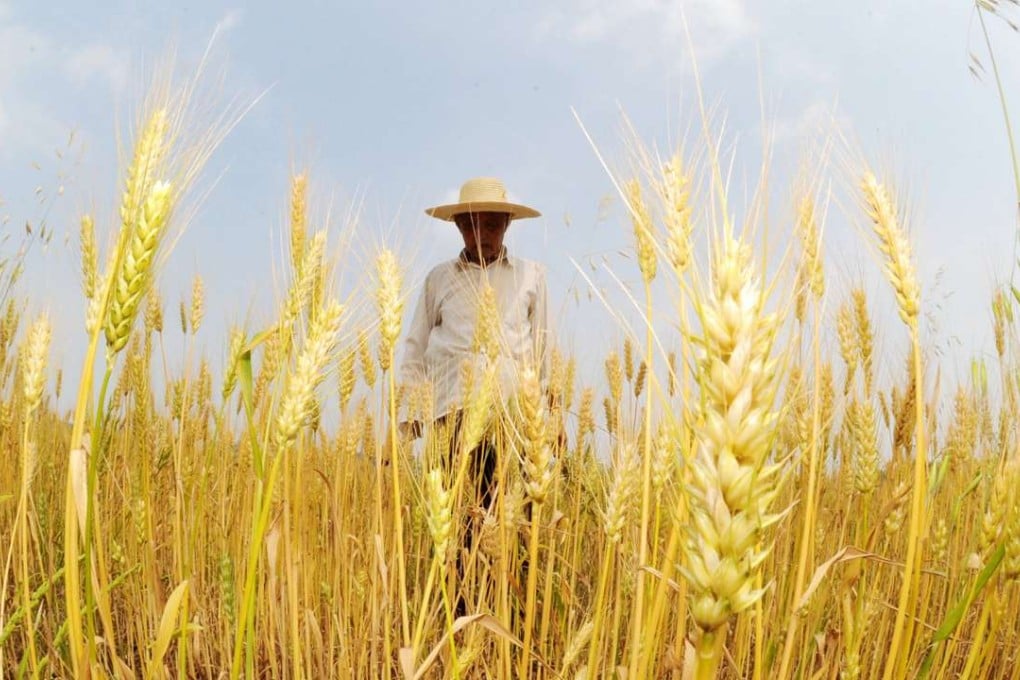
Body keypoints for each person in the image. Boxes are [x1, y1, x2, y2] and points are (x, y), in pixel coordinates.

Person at [396, 177, 553, 610]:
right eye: (470, 226)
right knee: (453, 533)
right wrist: (406, 425)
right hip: (451, 421)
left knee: (511, 529)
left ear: (507, 224)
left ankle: (509, 622)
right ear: (457, 227)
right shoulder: (437, 280)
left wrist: (548, 418)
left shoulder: (531, 277)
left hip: (513, 426)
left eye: (490, 226)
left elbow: (542, 351)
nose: (480, 236)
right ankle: (458, 619)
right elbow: (415, 347)